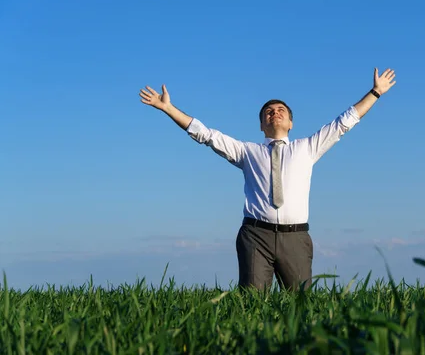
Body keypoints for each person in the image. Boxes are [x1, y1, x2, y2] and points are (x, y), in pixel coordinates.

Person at [139, 67, 396, 291]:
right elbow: (206, 135)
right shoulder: (247, 152)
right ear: (262, 125)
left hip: (295, 237)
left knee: (302, 306)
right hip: (255, 235)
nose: (274, 113)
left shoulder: (307, 147)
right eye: (268, 112)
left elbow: (344, 122)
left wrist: (375, 93)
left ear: (291, 123)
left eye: (280, 110)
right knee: (251, 304)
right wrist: (168, 108)